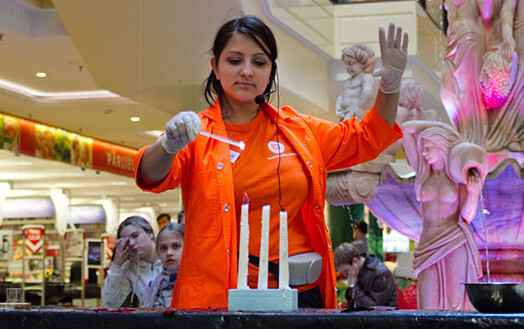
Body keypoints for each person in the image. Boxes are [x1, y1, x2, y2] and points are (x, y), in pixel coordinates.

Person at [134, 15, 408, 309]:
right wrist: (168, 146)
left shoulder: (299, 130)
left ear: (271, 70)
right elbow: (150, 176)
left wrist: (390, 84)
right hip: (223, 298)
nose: (247, 71)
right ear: (215, 67)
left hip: (303, 293)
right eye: (235, 60)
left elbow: (367, 137)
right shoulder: (197, 133)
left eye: (260, 62)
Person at [401, 120, 488, 310]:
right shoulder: (422, 173)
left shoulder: (456, 176)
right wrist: (446, 129)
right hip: (427, 244)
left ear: (441, 147)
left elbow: (467, 216)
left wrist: (473, 193)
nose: (424, 153)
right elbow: (406, 129)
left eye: (429, 148)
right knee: (426, 305)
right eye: (423, 148)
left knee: (455, 303)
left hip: (454, 241)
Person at [102, 216, 162, 308]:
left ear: (150, 232)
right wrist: (116, 266)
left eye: (135, 236)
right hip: (150, 320)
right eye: (126, 242)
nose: (132, 243)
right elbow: (110, 305)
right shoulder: (130, 267)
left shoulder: (170, 257)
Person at [334, 242, 398, 308]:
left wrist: (353, 287)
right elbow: (352, 303)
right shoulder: (358, 272)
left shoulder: (380, 273)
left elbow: (374, 308)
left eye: (346, 271)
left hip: (384, 316)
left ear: (355, 261)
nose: (345, 275)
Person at [143, 223, 185, 308]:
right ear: (157, 253)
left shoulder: (195, 283)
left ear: (187, 248)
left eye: (175, 246)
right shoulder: (152, 286)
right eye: (163, 248)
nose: (169, 253)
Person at [335, 43, 378, 122]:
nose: (347, 68)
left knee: (350, 132)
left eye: (351, 64)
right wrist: (338, 106)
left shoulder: (366, 77)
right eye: (346, 64)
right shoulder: (349, 81)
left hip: (356, 114)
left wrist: (359, 107)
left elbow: (367, 93)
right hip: (345, 113)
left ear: (363, 63)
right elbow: (343, 95)